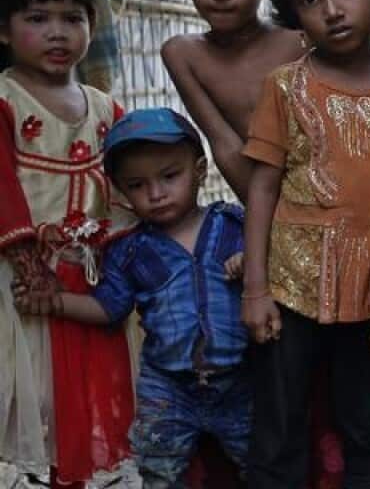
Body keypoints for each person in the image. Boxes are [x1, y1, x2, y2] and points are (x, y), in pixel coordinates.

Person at [239, 0, 370, 489]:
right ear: (293, 12)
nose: (332, 9)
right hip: (292, 289)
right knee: (280, 426)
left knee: (365, 426)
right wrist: (256, 290)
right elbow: (262, 187)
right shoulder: (285, 86)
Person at [17, 108, 252, 486]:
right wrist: (55, 301)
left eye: (169, 176)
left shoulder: (233, 225)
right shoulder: (130, 250)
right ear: (121, 191)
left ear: (200, 170)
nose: (156, 194)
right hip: (168, 388)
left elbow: (274, 266)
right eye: (137, 185)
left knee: (260, 461)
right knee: (159, 469)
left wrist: (252, 263)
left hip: (240, 380)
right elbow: (109, 307)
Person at [0, 0, 135, 487]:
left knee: (93, 391)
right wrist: (27, 262)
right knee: (35, 392)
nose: (57, 33)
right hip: (23, 281)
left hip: (92, 281)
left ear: (92, 25)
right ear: (4, 30)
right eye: (37, 18)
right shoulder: (5, 101)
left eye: (72, 18)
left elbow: (127, 187)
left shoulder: (106, 109)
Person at [161, 0, 306, 202]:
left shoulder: (300, 42)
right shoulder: (184, 55)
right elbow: (225, 146)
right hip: (265, 204)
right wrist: (271, 220)